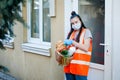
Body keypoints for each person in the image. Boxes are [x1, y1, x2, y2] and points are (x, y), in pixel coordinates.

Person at [63, 11, 92, 80]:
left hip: (80, 68)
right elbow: (68, 49)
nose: (74, 24)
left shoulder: (86, 31)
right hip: (69, 67)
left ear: (80, 21)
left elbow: (86, 48)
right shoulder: (71, 33)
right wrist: (64, 48)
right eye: (72, 23)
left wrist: (73, 42)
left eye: (76, 22)